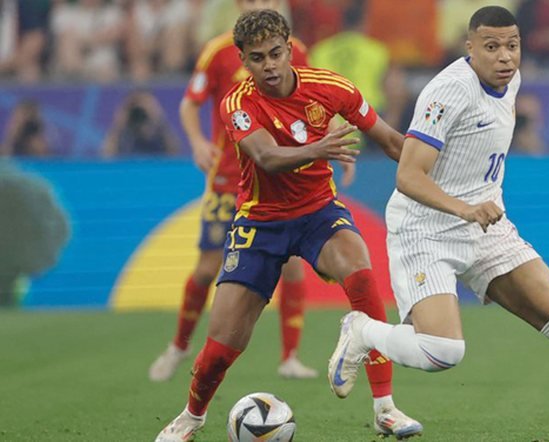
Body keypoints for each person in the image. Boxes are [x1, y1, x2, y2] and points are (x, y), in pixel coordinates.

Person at [328, 6, 549, 442]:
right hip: (425, 229)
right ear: (470, 48)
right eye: (492, 46)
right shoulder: (447, 92)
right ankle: (363, 330)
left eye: (512, 46)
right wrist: (464, 208)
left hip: (486, 225)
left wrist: (475, 208)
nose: (504, 56)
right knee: (443, 352)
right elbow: (408, 176)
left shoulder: (511, 79)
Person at [155, 9, 421, 441]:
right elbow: (266, 157)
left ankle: (385, 409)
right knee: (221, 348)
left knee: (360, 271)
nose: (270, 65)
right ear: (243, 59)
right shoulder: (237, 103)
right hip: (260, 222)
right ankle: (191, 416)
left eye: (276, 53)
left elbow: (392, 141)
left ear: (290, 49)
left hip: (317, 212)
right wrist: (320, 148)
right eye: (257, 58)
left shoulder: (331, 87)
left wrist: (438, 173)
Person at [148, 0, 319, 383]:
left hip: (277, 178)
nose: (263, 4)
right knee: (207, 268)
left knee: (292, 265)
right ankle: (179, 345)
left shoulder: (297, 51)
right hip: (228, 179)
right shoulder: (219, 51)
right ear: (241, 5)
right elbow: (190, 104)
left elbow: (314, 102)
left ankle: (290, 357)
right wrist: (197, 142)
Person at [102, 90, 181, 157]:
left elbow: (175, 154)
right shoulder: (124, 133)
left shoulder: (159, 132)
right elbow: (106, 156)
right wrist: (117, 125)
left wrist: (160, 120)